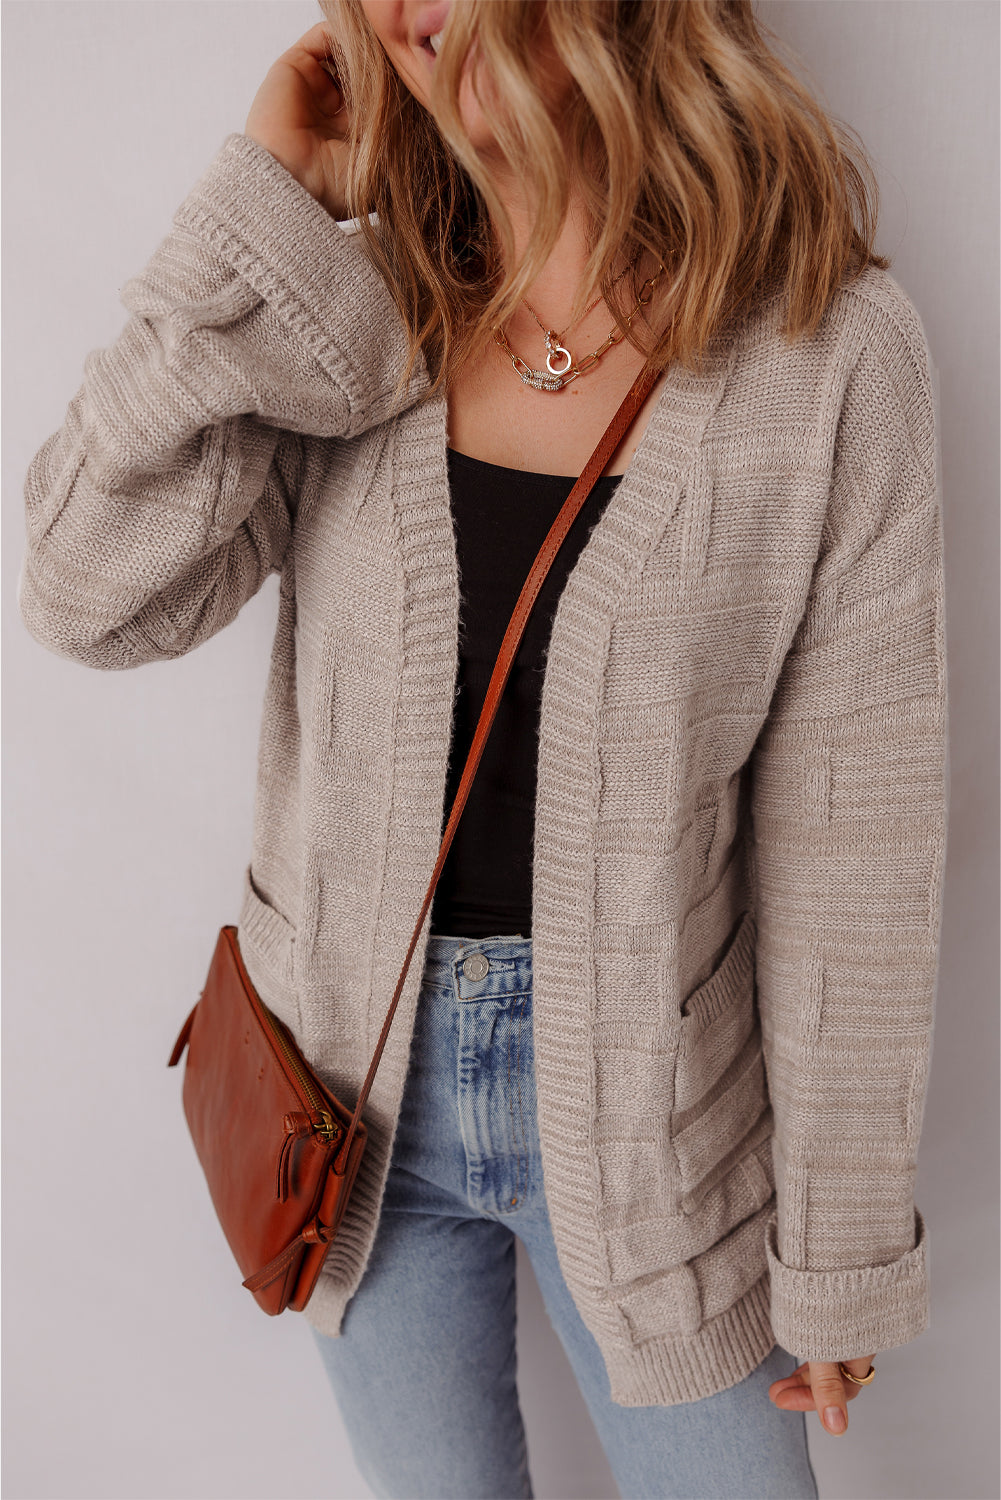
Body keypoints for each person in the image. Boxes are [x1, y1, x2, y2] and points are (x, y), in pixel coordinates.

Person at [19, 1, 947, 1496]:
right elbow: (81, 592)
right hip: (345, 1105)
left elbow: (856, 839)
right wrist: (252, 219)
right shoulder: (354, 307)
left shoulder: (823, 353)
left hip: (661, 1125)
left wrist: (840, 1253)